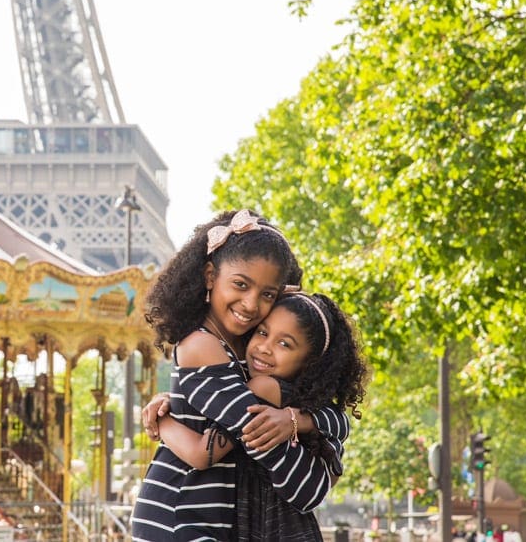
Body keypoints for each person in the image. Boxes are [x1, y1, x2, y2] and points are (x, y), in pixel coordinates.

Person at [129, 209, 351, 542]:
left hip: (215, 517)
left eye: (267, 295)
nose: (250, 304)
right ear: (208, 276)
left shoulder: (248, 350)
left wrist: (294, 418)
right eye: (240, 285)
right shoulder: (201, 345)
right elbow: (214, 450)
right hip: (181, 514)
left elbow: (336, 419)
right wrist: (163, 422)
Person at [150, 291, 368, 541]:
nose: (265, 348)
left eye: (285, 344)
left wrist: (162, 421)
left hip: (267, 525)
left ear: (310, 363)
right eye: (262, 333)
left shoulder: (264, 388)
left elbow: (202, 453)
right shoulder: (304, 401)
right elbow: (340, 423)